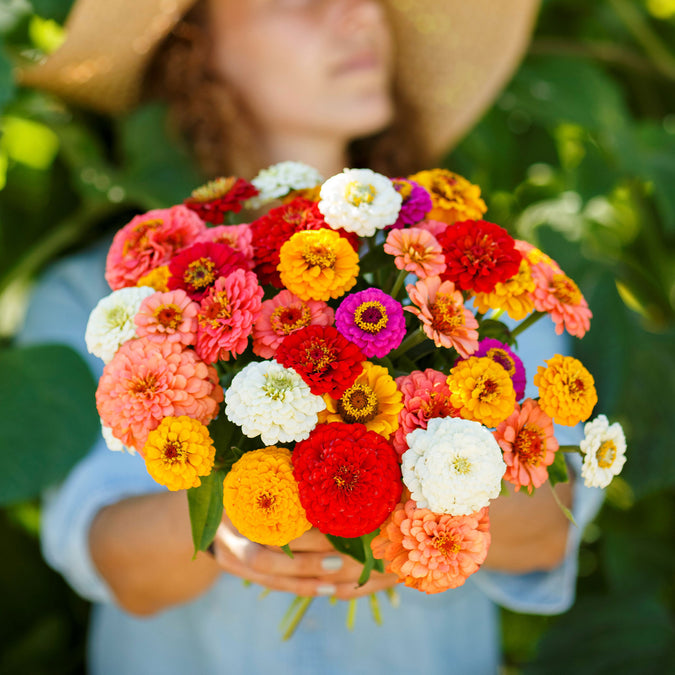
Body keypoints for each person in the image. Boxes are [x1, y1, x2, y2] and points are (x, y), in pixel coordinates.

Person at [17, 1, 603, 673]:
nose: (357, 12)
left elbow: (548, 528)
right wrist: (231, 519)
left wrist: (387, 494)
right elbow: (118, 563)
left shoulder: (468, 277)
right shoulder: (103, 299)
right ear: (191, 41)